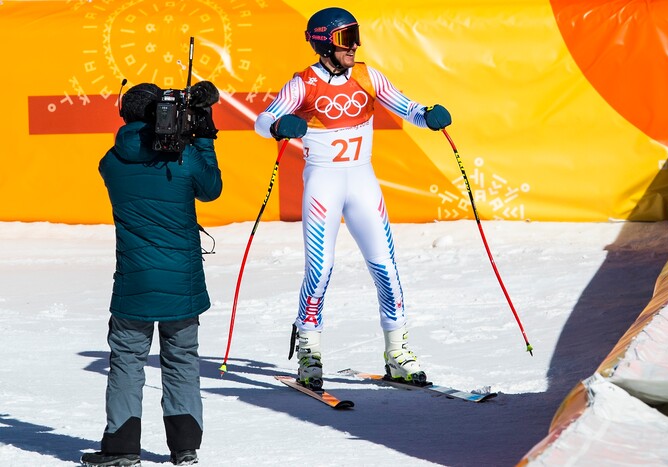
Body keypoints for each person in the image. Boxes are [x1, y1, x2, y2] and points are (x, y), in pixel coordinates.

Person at [254, 7, 452, 391]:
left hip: (363, 182)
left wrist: (428, 116)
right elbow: (263, 121)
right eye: (347, 38)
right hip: (323, 187)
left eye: (356, 35)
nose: (355, 45)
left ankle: (398, 352)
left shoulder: (366, 75)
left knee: (386, 267)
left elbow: (408, 108)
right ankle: (309, 352)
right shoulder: (303, 83)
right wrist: (279, 124)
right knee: (321, 270)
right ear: (324, 44)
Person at [81, 82, 222, 467]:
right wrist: (203, 137)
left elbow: (133, 153)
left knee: (127, 361)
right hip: (183, 282)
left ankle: (122, 449)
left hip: (134, 282)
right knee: (182, 361)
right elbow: (211, 189)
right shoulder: (186, 157)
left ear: (125, 116)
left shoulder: (111, 162)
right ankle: (185, 449)